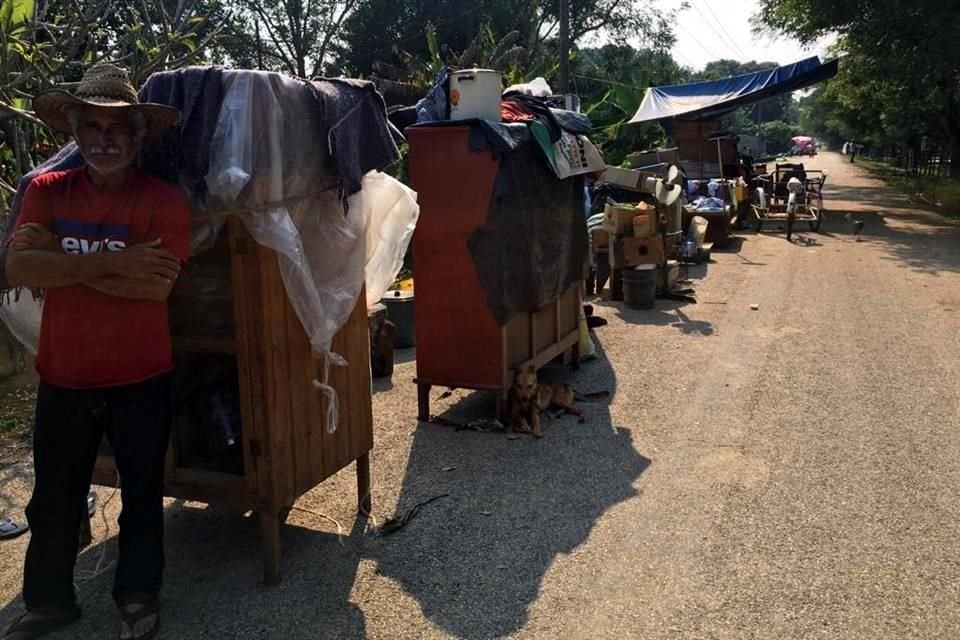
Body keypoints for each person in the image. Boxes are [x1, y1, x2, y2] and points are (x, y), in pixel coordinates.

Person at [3, 63, 189, 640]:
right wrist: (117, 261)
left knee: (140, 494)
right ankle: (49, 602)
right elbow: (16, 268)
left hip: (141, 375)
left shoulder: (162, 201)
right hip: (65, 375)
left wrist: (63, 262)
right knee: (52, 499)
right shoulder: (46, 190)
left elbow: (156, 285)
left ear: (136, 138)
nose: (103, 139)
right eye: (92, 126)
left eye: (116, 129)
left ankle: (137, 597)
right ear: (75, 133)